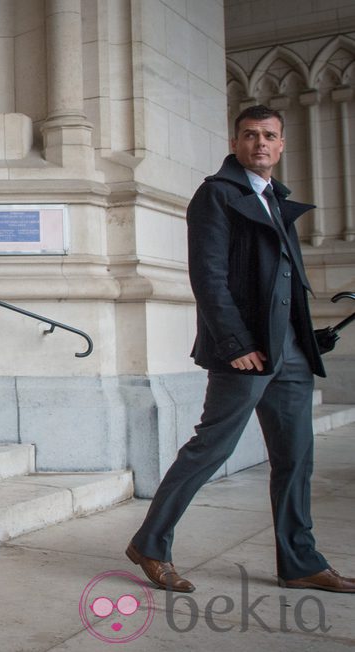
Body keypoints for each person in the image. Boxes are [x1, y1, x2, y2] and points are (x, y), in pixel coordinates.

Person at [126, 105, 355, 594]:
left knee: (296, 456)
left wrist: (305, 334)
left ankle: (300, 561)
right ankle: (150, 542)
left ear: (282, 143)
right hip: (245, 353)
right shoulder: (215, 196)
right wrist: (234, 343)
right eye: (250, 135)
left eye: (270, 135)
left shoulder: (277, 198)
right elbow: (207, 278)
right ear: (236, 143)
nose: (260, 144)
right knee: (212, 447)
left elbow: (283, 282)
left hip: (289, 352)